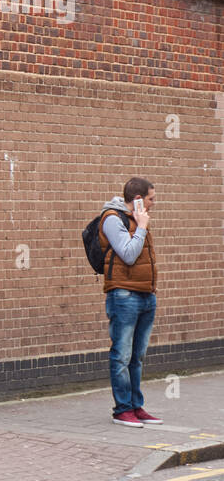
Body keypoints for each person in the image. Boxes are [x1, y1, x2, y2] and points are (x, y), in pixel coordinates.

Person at [98, 177, 161, 428]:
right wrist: (143, 227)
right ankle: (122, 409)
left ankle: (136, 406)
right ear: (138, 199)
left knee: (138, 356)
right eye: (151, 199)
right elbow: (128, 254)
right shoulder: (113, 218)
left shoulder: (137, 218)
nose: (154, 203)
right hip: (124, 295)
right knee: (122, 355)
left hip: (146, 294)